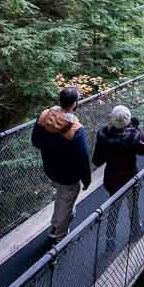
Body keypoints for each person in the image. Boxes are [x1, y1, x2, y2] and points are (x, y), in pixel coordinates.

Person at [31, 87, 91, 241]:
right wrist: (86, 178)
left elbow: (36, 141)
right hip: (68, 175)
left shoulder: (45, 116)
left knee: (63, 196)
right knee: (67, 198)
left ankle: (59, 221)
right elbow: (83, 158)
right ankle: (58, 238)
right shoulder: (76, 130)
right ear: (75, 104)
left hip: (50, 168)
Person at [92, 105, 144, 252]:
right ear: (128, 120)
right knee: (133, 206)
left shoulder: (104, 136)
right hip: (130, 178)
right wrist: (138, 130)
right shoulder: (133, 137)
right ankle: (136, 231)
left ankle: (110, 242)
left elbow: (97, 161)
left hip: (112, 179)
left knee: (114, 208)